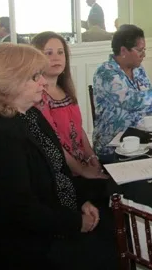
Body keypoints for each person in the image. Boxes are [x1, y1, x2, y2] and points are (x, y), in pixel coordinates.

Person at [0, 44, 117, 270]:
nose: (44, 82)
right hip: (28, 248)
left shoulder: (29, 115)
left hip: (53, 220)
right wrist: (76, 221)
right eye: (35, 77)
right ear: (8, 82)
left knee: (114, 225)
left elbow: (58, 172)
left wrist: (80, 201)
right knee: (113, 249)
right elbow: (23, 211)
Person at [92, 24, 152, 160]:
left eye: (144, 50)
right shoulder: (106, 73)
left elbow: (145, 95)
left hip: (143, 138)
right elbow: (131, 101)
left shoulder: (138, 69)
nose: (144, 55)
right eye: (140, 50)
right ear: (123, 50)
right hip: (115, 145)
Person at [32, 32, 106, 179]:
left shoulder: (65, 90)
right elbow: (52, 143)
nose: (56, 58)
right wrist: (82, 170)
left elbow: (78, 129)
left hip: (81, 164)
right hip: (61, 173)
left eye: (60, 52)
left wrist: (91, 157)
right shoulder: (38, 97)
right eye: (49, 53)